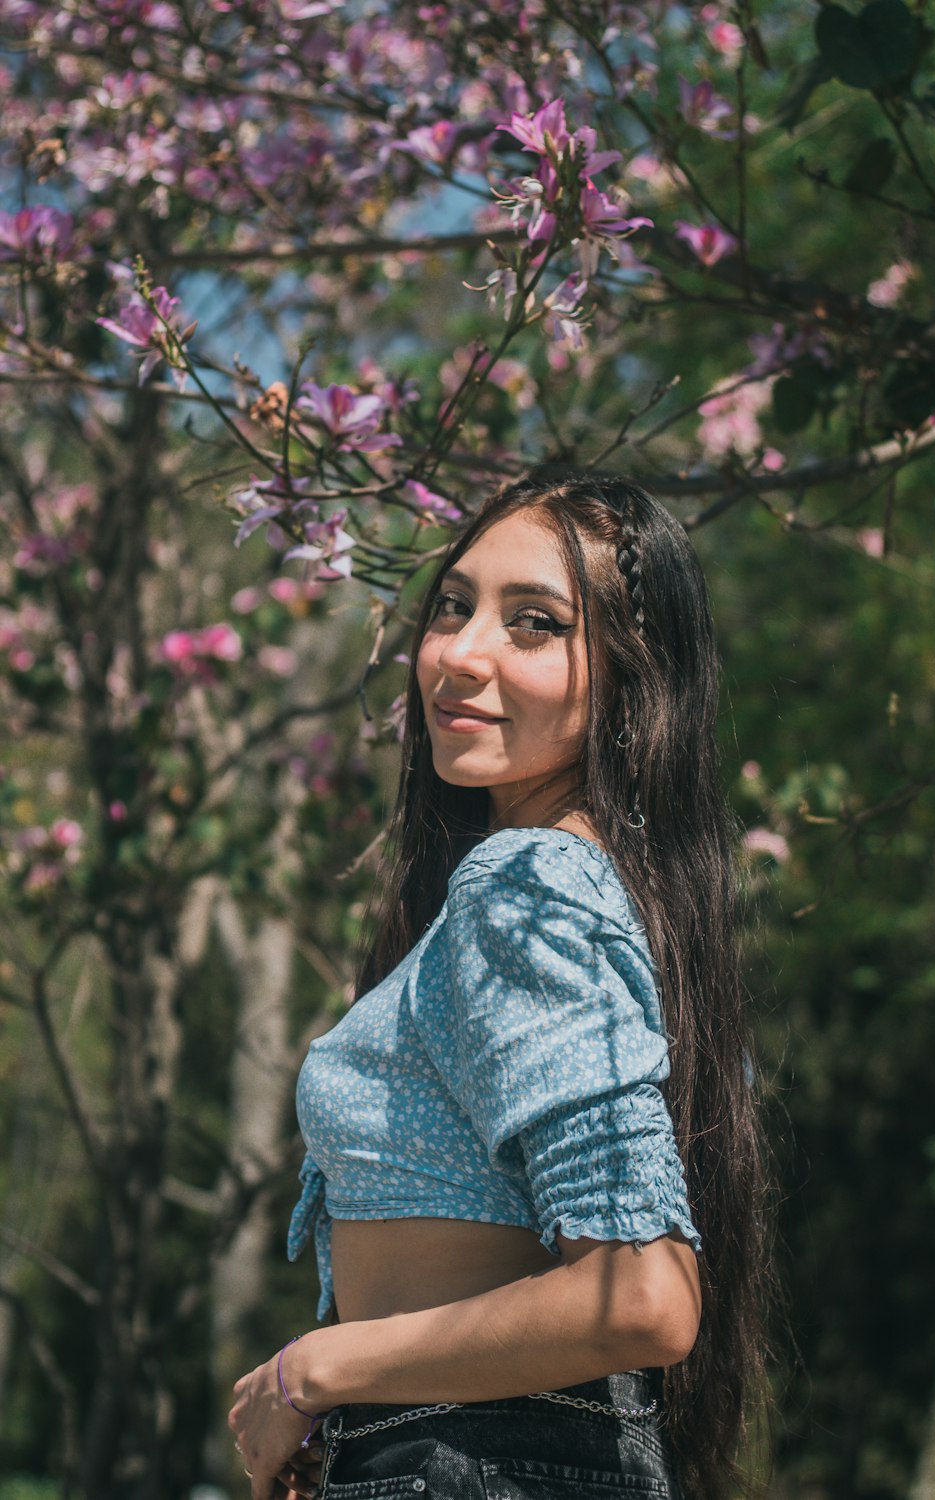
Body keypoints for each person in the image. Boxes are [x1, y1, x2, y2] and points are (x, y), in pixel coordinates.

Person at [228, 470, 769, 1500]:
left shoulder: (526, 884)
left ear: (631, 679)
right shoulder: (611, 893)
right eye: (452, 607)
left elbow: (641, 1298)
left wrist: (320, 1370)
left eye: (533, 624)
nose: (459, 656)